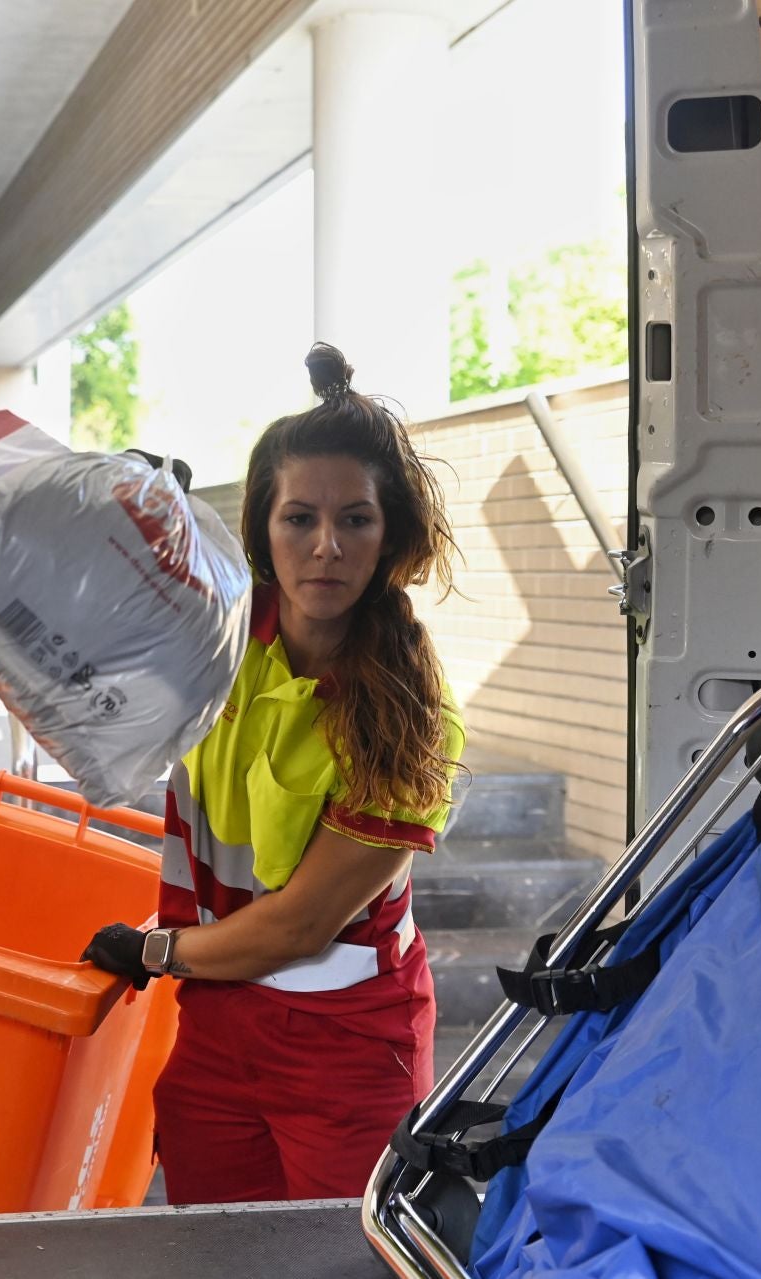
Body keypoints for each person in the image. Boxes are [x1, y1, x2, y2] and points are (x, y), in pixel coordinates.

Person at [82, 342, 465, 1203]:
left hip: (348, 1055)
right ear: (261, 525)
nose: (326, 546)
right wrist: (119, 516)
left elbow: (296, 928)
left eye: (355, 519)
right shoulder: (216, 636)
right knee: (216, 1257)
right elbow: (80, 622)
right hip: (216, 1033)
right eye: (299, 518)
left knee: (337, 1263)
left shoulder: (407, 722)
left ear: (388, 532)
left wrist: (153, 950)